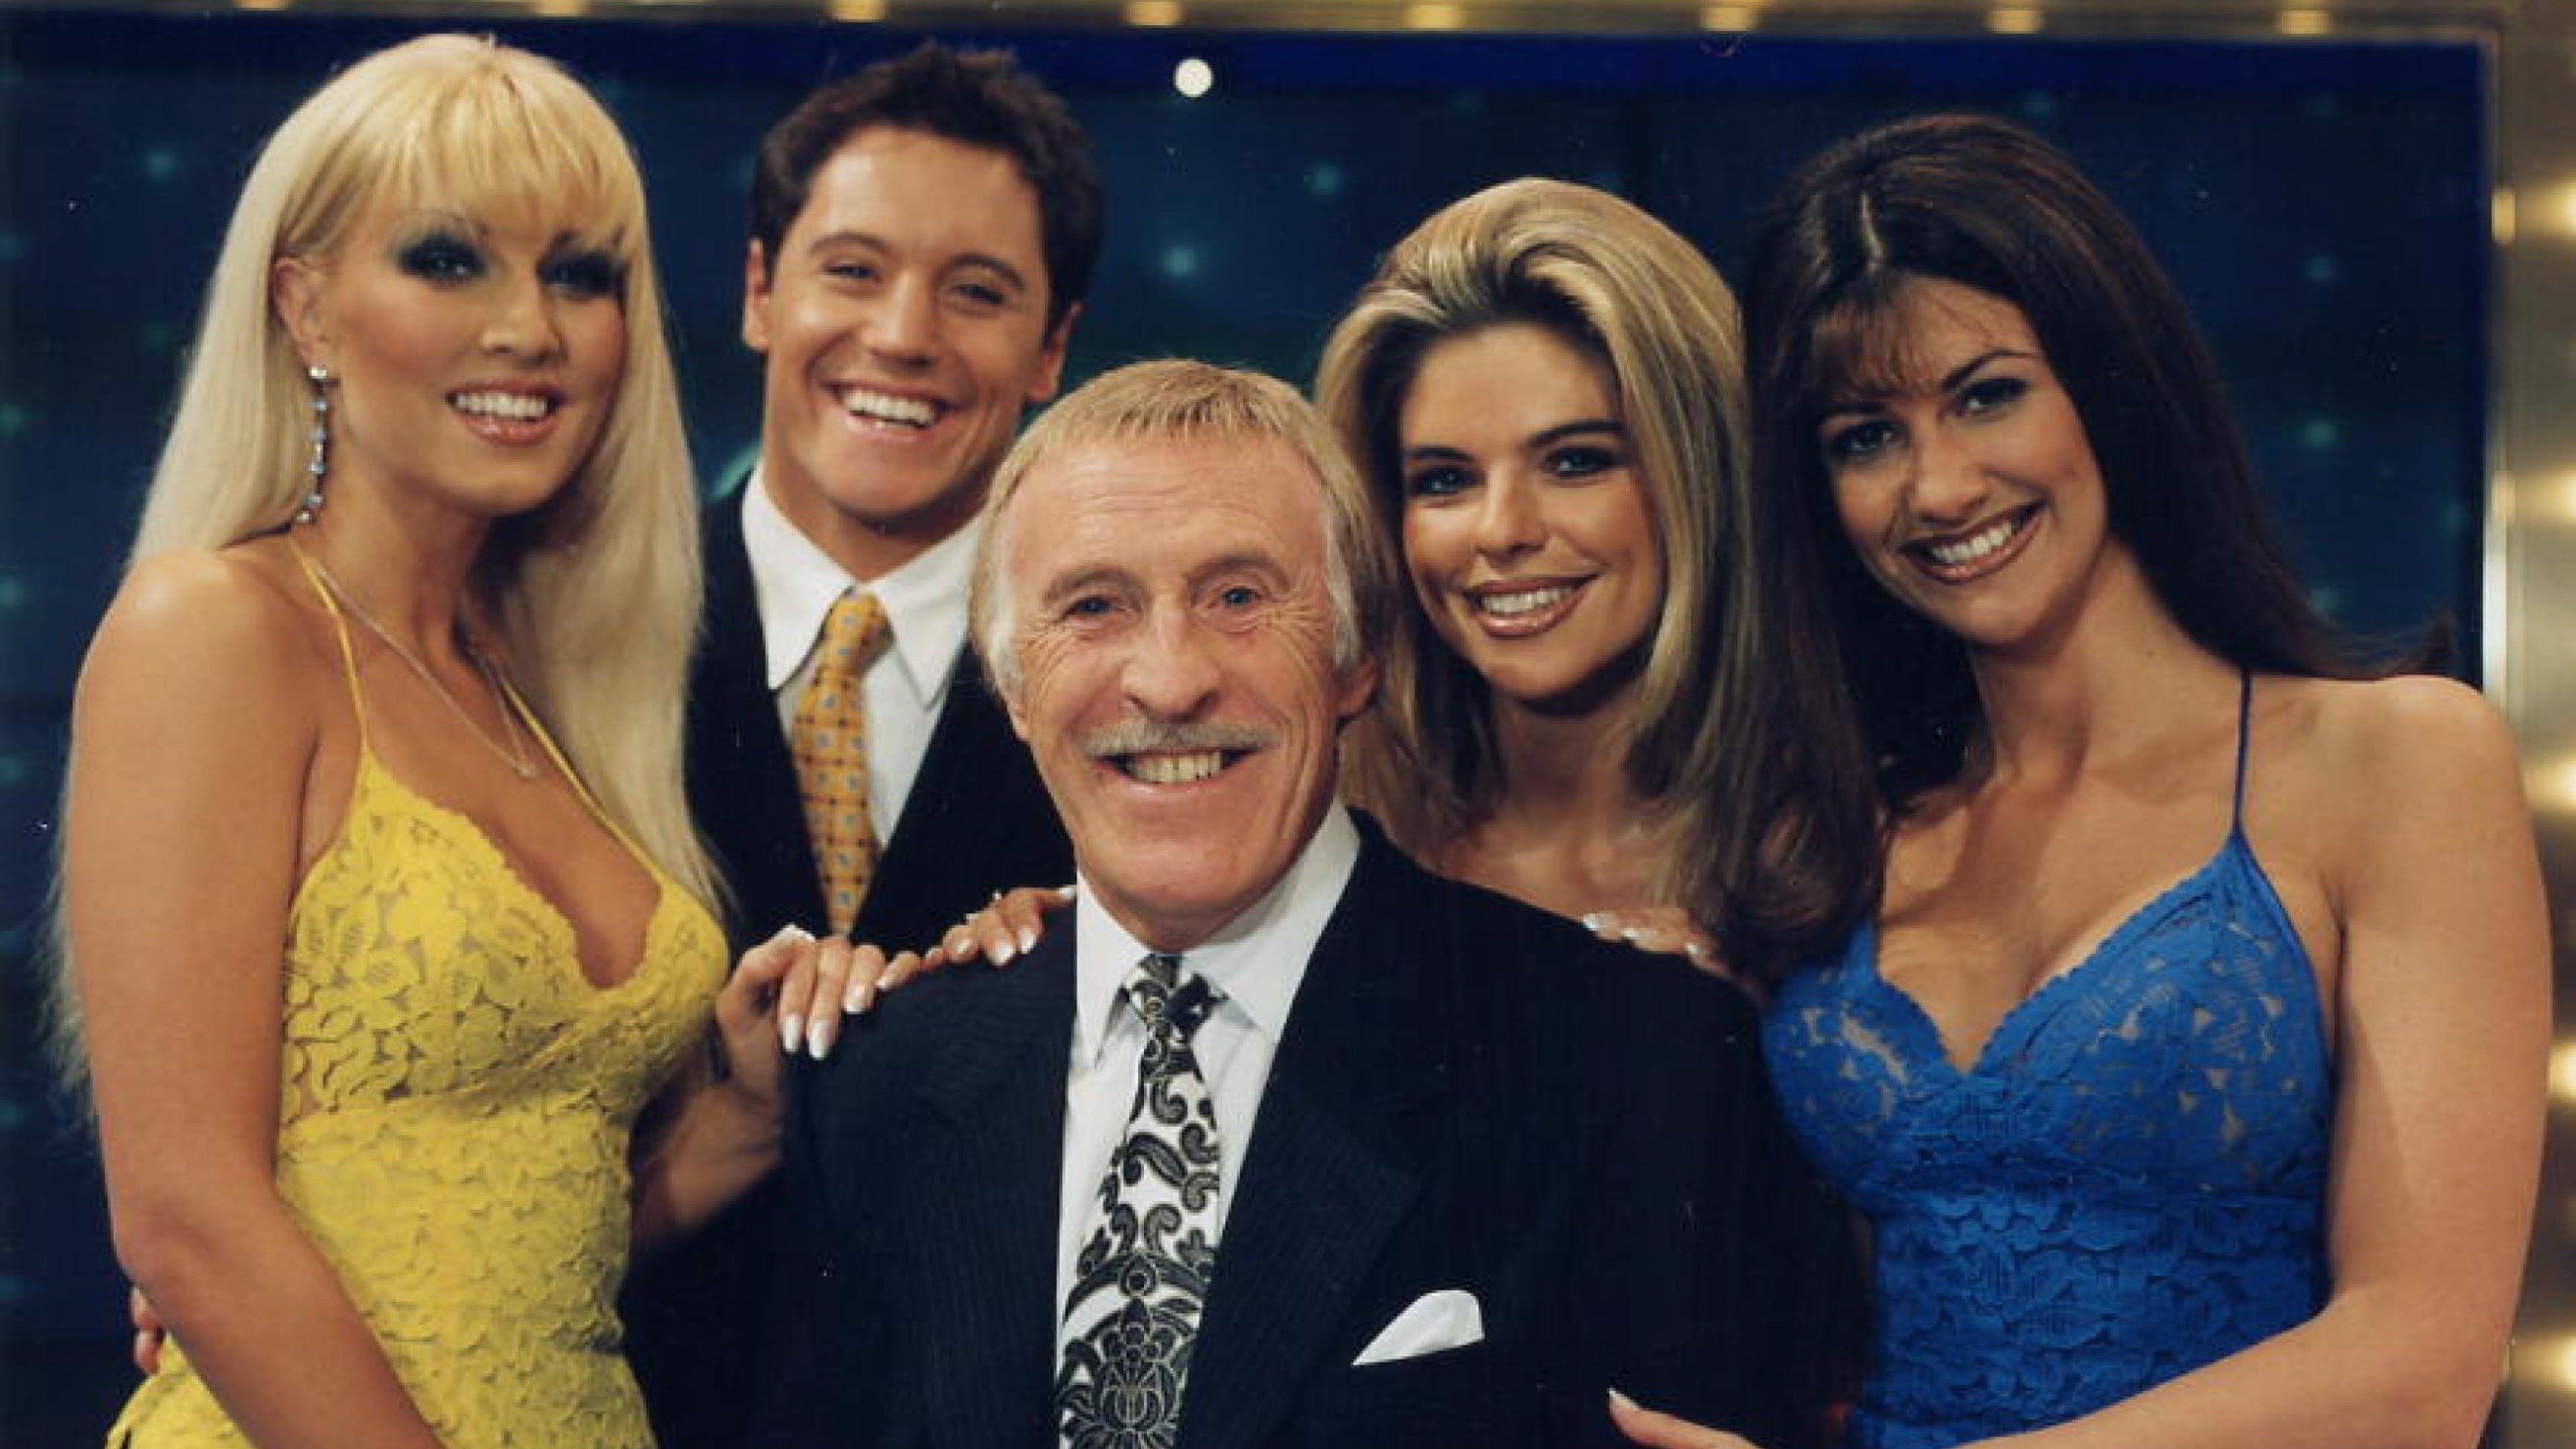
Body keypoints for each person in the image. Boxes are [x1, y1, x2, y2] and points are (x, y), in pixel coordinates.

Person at [1613, 113, 2548, 1449]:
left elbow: (2423, 1369)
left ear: (2111, 384)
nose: (1939, 486)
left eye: (1986, 395)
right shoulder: (1840, 838)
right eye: (1865, 437)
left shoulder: (2396, 758)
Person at [755, 359, 1827, 1448]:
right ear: (1014, 687)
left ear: (1356, 659)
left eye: (1238, 598)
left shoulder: (1638, 1057)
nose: (1169, 681)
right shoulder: (876, 1087)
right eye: (1093, 606)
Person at [58, 35, 794, 1449]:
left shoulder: (549, 690)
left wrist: (745, 1120)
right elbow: (186, 1219)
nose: (529, 327)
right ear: (306, 309)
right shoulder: (214, 628)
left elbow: (524, 1233)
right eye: (451, 261)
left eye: (578, 274)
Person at [621, 42, 1091, 1448]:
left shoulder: (1133, 692)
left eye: (978, 291)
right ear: (760, 292)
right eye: (853, 270)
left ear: (1054, 348)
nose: (903, 335)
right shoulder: (553, 648)